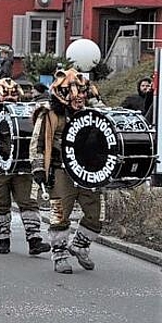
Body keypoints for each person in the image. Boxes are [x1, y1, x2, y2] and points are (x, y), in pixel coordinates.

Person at [31, 69, 103, 274]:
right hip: (60, 170)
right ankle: (60, 255)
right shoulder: (50, 115)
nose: (80, 96)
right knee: (60, 214)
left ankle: (79, 246)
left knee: (96, 215)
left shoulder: (92, 113)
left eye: (83, 92)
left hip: (88, 170)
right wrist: (38, 168)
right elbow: (37, 143)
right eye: (75, 92)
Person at [0, 77, 50, 256]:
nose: (10, 98)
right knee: (0, 204)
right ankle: (3, 239)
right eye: (5, 94)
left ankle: (34, 240)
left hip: (22, 167)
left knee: (28, 202)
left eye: (13, 95)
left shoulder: (27, 112)